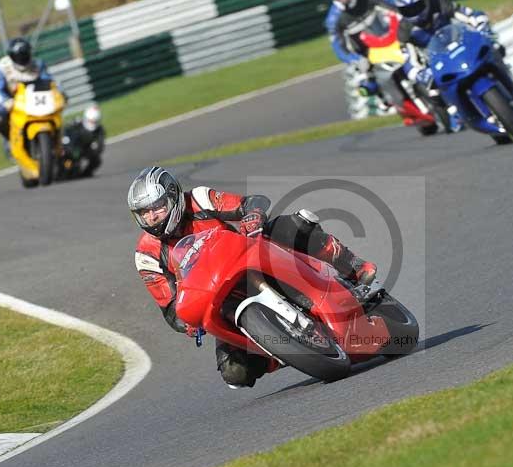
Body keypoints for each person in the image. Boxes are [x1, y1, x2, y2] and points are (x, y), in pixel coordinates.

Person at [128, 167, 377, 389]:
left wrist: (252, 215)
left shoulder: (199, 200)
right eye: (144, 213)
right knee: (234, 372)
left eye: (156, 207)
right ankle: (281, 351)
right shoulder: (146, 255)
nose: (152, 217)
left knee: (289, 227)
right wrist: (189, 323)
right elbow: (170, 309)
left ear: (173, 197)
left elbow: (251, 202)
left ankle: (354, 267)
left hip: (249, 257)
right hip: (218, 298)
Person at [388, 0, 498, 131]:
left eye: (417, 7)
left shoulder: (440, 5)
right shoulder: (404, 29)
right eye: (408, 10)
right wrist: (420, 74)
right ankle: (453, 111)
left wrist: (482, 26)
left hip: (460, 45)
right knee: (433, 91)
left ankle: (502, 76)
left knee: (495, 48)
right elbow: (407, 59)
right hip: (435, 61)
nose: (414, 13)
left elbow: (469, 14)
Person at [0, 37, 55, 155]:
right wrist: (6, 101)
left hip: (35, 101)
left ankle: (57, 142)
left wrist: (58, 93)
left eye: (24, 55)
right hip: (11, 103)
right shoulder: (1, 67)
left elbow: (50, 82)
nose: (22, 59)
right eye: (18, 57)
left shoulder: (38, 65)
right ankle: (10, 142)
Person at [325, 0, 391, 97]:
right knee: (367, 85)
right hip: (366, 54)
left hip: (389, 39)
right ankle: (382, 100)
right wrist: (355, 59)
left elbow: (392, 5)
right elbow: (337, 47)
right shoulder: (333, 19)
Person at [62, 104, 105, 176]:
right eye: (91, 121)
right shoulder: (76, 123)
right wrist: (68, 148)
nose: (92, 123)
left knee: (96, 160)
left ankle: (86, 173)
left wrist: (94, 150)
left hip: (85, 149)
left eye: (94, 121)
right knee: (66, 163)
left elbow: (100, 146)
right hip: (72, 149)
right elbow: (65, 134)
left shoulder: (99, 130)